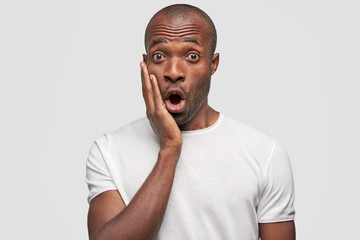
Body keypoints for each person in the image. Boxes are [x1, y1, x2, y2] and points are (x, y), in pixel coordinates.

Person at [85, 4, 295, 240]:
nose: (174, 72)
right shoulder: (109, 151)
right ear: (145, 65)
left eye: (192, 56)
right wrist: (170, 149)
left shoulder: (265, 153)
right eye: (159, 56)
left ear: (212, 64)